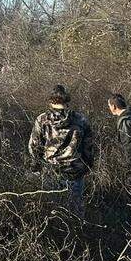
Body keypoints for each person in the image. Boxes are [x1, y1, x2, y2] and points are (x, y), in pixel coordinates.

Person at [28, 84, 95, 218]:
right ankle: (79, 235)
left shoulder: (42, 119)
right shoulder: (80, 119)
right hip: (74, 172)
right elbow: (89, 148)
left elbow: (34, 146)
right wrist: (87, 166)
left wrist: (36, 166)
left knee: (53, 211)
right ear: (67, 100)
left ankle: (58, 236)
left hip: (51, 171)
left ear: (51, 101)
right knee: (75, 210)